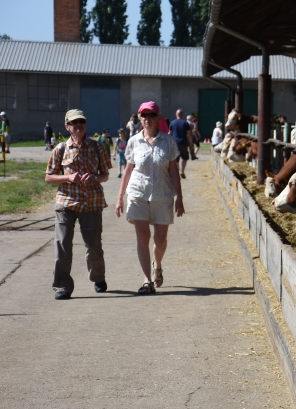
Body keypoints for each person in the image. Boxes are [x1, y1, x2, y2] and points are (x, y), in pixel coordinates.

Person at [116, 101, 184, 295]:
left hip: (162, 194)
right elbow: (128, 170)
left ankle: (158, 263)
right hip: (138, 192)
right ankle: (147, 280)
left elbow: (173, 171)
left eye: (151, 115)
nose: (147, 119)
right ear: (139, 118)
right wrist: (120, 197)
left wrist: (180, 197)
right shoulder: (133, 142)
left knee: (160, 240)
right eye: (144, 116)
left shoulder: (168, 142)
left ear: (158, 118)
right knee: (142, 236)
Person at [45, 109, 111, 300]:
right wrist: (68, 177)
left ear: (86, 125)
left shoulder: (97, 147)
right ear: (67, 127)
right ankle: (62, 286)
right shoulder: (60, 149)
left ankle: (98, 278)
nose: (78, 125)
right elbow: (49, 178)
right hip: (66, 203)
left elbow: (105, 175)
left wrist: (94, 178)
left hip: (91, 202)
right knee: (63, 245)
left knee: (93, 245)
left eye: (81, 122)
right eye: (74, 123)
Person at [168, 109, 193, 179]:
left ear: (176, 114)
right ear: (182, 115)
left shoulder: (172, 123)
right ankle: (182, 171)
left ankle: (177, 172)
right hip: (183, 142)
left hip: (174, 143)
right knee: (185, 158)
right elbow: (189, 135)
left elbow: (169, 133)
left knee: (175, 159)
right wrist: (191, 145)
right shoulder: (185, 123)